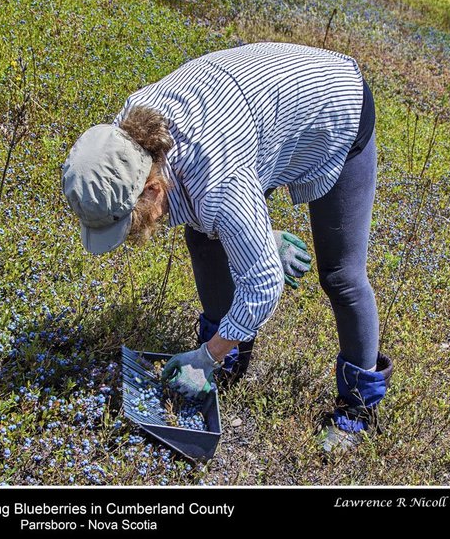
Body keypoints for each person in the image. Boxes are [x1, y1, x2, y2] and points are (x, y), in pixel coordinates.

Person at [61, 42, 393, 453]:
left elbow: (264, 285)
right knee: (204, 234)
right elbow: (215, 192)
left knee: (341, 276)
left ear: (150, 186)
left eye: (124, 222)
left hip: (333, 106)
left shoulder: (217, 183)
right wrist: (255, 236)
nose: (128, 235)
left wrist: (206, 356)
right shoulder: (125, 138)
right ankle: (232, 345)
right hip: (256, 118)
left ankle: (358, 409)